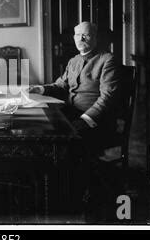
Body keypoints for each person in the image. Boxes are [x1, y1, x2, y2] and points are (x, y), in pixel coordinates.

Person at [29, 21, 120, 155]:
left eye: (86, 35)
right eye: (78, 35)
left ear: (95, 37)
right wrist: (39, 89)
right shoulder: (74, 60)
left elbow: (107, 97)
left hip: (95, 119)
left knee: (57, 139)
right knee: (39, 126)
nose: (81, 39)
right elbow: (60, 85)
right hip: (71, 113)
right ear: (73, 38)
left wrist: (86, 119)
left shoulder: (107, 59)